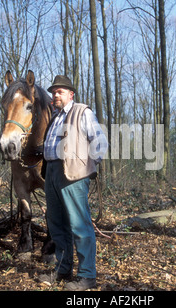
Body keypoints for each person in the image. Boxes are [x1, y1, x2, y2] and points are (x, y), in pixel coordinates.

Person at [39, 75, 108, 290]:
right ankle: (63, 269)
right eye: (53, 92)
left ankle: (87, 275)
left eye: (59, 91)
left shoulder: (81, 111)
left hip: (73, 175)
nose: (55, 95)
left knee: (80, 225)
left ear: (71, 94)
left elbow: (100, 143)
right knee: (57, 224)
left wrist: (86, 169)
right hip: (51, 171)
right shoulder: (55, 117)